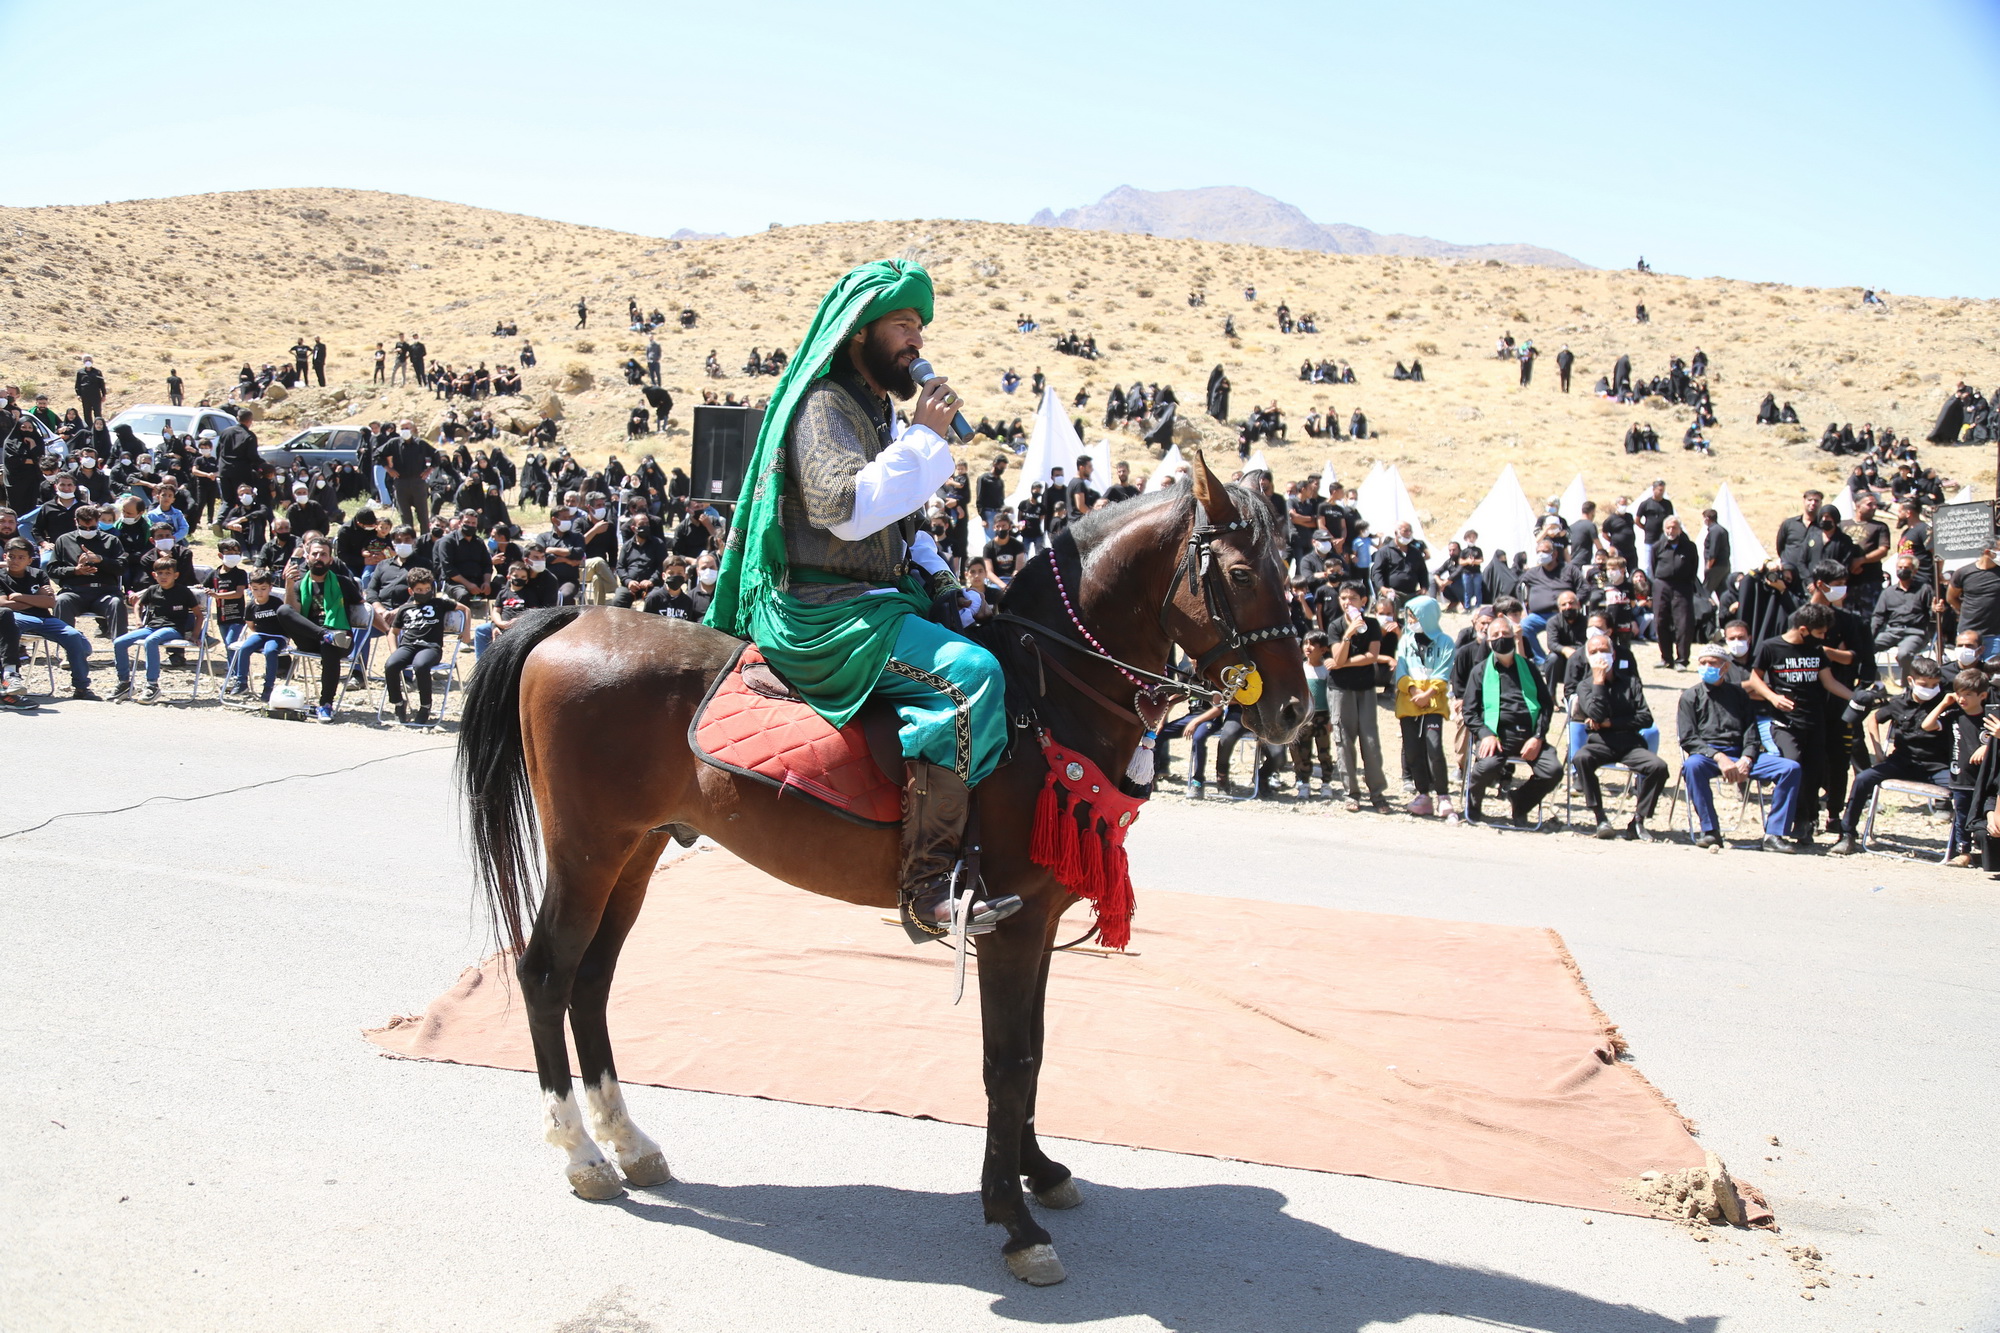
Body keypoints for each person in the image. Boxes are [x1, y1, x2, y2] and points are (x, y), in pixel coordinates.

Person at [701, 259, 1017, 940]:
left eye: (921, 327)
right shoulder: (824, 407)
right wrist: (927, 441)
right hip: (822, 613)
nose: (918, 341)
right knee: (970, 680)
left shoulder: (875, 410)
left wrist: (945, 586)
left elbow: (903, 524)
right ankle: (927, 884)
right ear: (858, 333)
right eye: (904, 323)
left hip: (874, 600)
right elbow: (846, 509)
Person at [1746, 604, 1855, 847]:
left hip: (1814, 722)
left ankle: (1804, 822)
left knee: (1812, 774)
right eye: (1820, 632)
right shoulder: (1771, 647)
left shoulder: (1816, 650)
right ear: (1803, 629)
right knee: (1791, 766)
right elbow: (1755, 678)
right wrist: (1773, 697)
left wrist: (1855, 697)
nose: (1824, 638)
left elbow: (1829, 682)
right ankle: (1780, 825)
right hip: (1784, 723)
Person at [1678, 641, 1802, 851]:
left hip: (1740, 754)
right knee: (1691, 766)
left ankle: (1774, 834)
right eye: (1703, 662)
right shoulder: (1690, 697)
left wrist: (1747, 758)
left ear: (1725, 667)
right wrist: (1718, 757)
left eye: (1713, 663)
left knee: (1790, 768)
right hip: (1708, 756)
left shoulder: (1738, 695)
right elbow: (1688, 739)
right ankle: (1710, 831)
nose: (1707, 667)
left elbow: (1751, 733)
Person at [1828, 657, 1952, 856]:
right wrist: (1878, 752)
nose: (1929, 689)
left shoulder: (1945, 703)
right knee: (1862, 779)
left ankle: (1964, 844)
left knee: (1964, 788)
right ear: (1911, 681)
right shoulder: (1898, 703)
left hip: (1937, 766)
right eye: (1924, 684)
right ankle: (1847, 835)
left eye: (1934, 685)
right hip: (1902, 762)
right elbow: (1873, 720)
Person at [1462, 615, 1561, 826]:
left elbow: (1545, 705)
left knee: (1553, 770)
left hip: (1528, 737)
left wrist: (1538, 737)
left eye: (1505, 634)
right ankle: (1473, 802)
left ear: (1514, 637)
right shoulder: (1480, 671)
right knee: (1486, 766)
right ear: (1489, 641)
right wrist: (1485, 734)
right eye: (1495, 635)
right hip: (1497, 737)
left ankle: (1521, 801)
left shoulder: (1529, 668)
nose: (1501, 637)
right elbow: (1469, 711)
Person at [1571, 630, 1668, 839]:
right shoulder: (1585, 686)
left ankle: (1639, 820)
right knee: (1581, 758)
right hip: (1600, 742)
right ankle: (1600, 817)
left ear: (1613, 655)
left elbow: (1645, 718)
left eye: (1604, 650)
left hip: (1630, 742)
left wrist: (1610, 722)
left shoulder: (1630, 683)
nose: (1599, 655)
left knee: (1658, 767)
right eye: (1594, 652)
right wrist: (1598, 682)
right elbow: (1595, 713)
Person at [1, 536, 96, 698]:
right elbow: (3, 605)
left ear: (30, 560)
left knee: (73, 636)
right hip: (17, 618)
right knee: (8, 623)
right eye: (11, 557)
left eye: (21, 557)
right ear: (5, 557)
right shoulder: (1, 577)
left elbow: (50, 603)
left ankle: (81, 687)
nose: (15, 561)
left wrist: (18, 597)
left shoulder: (38, 575)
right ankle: (11, 680)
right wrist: (36, 598)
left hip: (44, 619)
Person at [1326, 583, 1390, 811]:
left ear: (1363, 601)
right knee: (1344, 742)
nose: (1346, 602)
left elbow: (1372, 656)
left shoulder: (1372, 624)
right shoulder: (1335, 626)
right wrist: (1348, 635)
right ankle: (1351, 793)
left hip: (1365, 689)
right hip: (1340, 690)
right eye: (1343, 598)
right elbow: (1337, 656)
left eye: (1352, 598)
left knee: (1370, 742)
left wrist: (1342, 663)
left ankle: (1377, 793)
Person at [282, 536, 361, 722]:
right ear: (307, 557)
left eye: (323, 554)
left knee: (331, 644)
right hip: (311, 637)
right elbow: (294, 613)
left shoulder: (343, 582)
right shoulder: (300, 583)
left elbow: (364, 607)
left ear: (330, 560)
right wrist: (288, 585)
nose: (319, 557)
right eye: (315, 554)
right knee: (283, 610)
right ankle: (324, 635)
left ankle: (326, 704)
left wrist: (388, 627)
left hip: (340, 637)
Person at [1391, 596, 1456, 819]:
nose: (1410, 620)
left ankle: (1443, 795)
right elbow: (1401, 670)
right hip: (1409, 702)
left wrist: (1428, 693)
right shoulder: (1405, 641)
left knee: (1434, 747)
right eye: (1408, 616)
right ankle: (1423, 795)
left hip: (1433, 702)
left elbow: (1443, 671)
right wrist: (1412, 691)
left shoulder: (1445, 641)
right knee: (1413, 750)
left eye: (1414, 615)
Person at [110, 561, 200, 703]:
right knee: (119, 642)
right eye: (160, 573)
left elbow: (199, 615)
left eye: (168, 573)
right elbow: (139, 604)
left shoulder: (183, 591)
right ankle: (124, 683)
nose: (163, 576)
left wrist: (195, 635)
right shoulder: (152, 589)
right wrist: (138, 620)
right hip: (151, 627)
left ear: (176, 575)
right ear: (154, 575)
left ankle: (152, 685)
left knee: (151, 641)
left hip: (173, 628)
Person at [382, 568, 452, 726]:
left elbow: (464, 609)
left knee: (420, 665)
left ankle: (425, 706)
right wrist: (394, 651)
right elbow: (392, 633)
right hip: (408, 646)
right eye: (419, 590)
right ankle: (398, 702)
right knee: (391, 665)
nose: (424, 592)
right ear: (411, 590)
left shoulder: (438, 603)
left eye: (427, 589)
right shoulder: (405, 609)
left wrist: (466, 633)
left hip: (430, 647)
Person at [1872, 552, 1933, 682]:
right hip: (1892, 631)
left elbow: (1933, 613)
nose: (1902, 571)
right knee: (1865, 649)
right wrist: (1870, 635)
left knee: (1904, 654)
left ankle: (1906, 682)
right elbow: (1878, 616)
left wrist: (1937, 610)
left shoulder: (1924, 589)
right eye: (1899, 568)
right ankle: (1876, 682)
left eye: (1906, 568)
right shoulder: (1888, 592)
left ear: (1914, 571)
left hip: (1915, 632)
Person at [1650, 515, 1699, 669]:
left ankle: (1682, 660)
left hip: (1682, 587)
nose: (1671, 530)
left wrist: (1686, 581)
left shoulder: (1689, 546)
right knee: (1660, 621)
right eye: (1668, 528)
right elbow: (1652, 566)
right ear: (1664, 529)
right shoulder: (1657, 546)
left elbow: (1694, 566)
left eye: (1674, 527)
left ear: (1680, 529)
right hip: (1662, 585)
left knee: (1683, 623)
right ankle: (1666, 658)